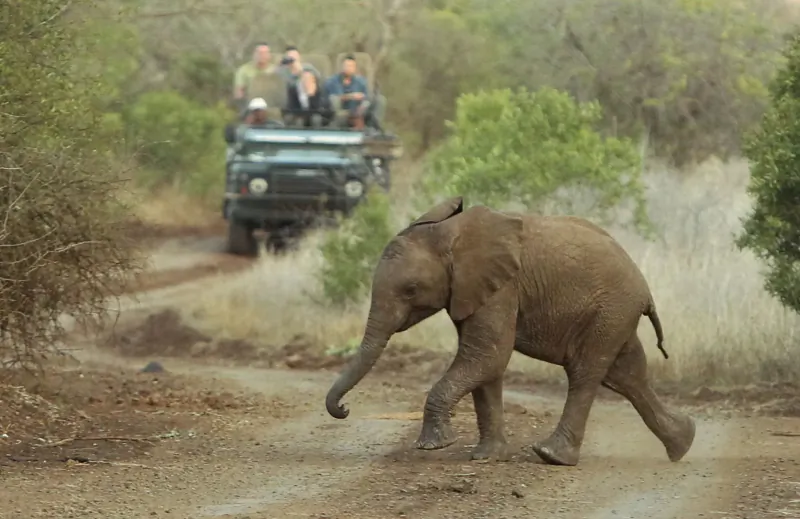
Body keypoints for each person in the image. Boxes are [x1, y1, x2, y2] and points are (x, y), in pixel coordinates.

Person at [324, 54, 372, 129]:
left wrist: (362, 105)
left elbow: (367, 98)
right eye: (346, 66)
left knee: (372, 102)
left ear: (355, 68)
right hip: (339, 112)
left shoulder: (361, 82)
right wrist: (351, 96)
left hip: (356, 111)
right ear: (342, 67)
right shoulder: (333, 81)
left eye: (351, 66)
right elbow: (333, 98)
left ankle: (374, 129)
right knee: (334, 100)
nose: (349, 68)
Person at [232, 42, 278, 109]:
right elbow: (239, 92)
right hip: (250, 105)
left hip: (271, 106)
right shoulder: (243, 70)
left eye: (265, 53)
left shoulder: (276, 70)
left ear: (269, 55)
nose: (262, 56)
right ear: (254, 54)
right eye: (260, 53)